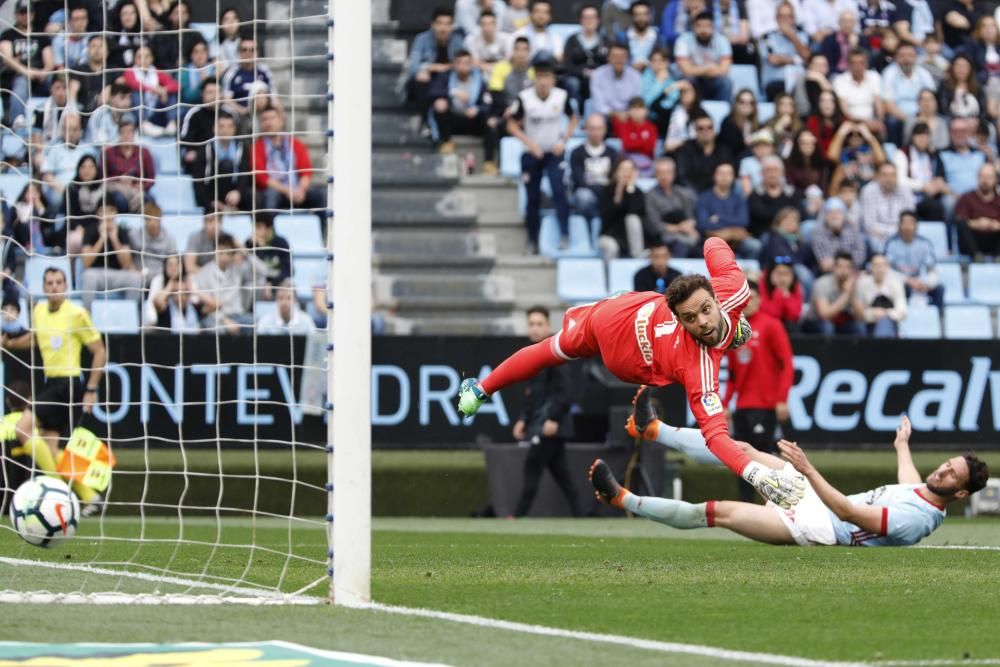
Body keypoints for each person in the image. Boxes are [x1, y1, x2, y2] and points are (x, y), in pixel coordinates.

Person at [456, 237, 808, 507]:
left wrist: (484, 387)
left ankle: (477, 391)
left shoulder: (730, 289)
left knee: (552, 349)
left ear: (717, 300)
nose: (701, 321)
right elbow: (716, 439)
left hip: (625, 309)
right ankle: (481, 389)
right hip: (620, 349)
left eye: (705, 311)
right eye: (691, 318)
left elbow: (712, 243)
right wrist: (757, 475)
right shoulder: (701, 358)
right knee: (553, 350)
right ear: (683, 320)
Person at [596, 413, 989, 547]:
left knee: (716, 512)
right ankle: (652, 428)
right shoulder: (923, 495)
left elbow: (847, 511)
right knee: (744, 450)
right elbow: (910, 483)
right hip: (814, 502)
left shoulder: (916, 520)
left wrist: (808, 468)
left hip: (819, 527)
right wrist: (903, 445)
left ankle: (622, 498)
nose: (941, 469)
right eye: (946, 463)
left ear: (960, 492)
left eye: (951, 472)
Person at [1, 267, 106, 509]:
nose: (54, 287)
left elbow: (100, 351)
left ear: (66, 286)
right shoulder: (38, 310)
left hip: (68, 383)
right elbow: (36, 339)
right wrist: (9, 344)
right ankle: (89, 496)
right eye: (49, 283)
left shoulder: (77, 314)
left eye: (59, 282)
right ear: (44, 287)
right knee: (50, 449)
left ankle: (61, 494)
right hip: (51, 382)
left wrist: (91, 389)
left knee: (22, 429)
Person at [716, 281, 793, 500]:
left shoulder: (771, 325)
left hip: (766, 406)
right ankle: (747, 507)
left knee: (765, 457)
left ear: (760, 299)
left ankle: (779, 506)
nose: (748, 303)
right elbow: (732, 374)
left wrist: (782, 399)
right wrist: (725, 403)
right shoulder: (734, 330)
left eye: (753, 298)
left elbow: (787, 364)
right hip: (743, 407)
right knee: (742, 460)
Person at [510, 306, 582, 518]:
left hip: (550, 425)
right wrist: (524, 418)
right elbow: (533, 394)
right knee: (563, 476)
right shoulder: (533, 353)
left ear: (548, 326)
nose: (535, 329)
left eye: (539, 324)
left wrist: (553, 418)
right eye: (531, 324)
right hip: (542, 423)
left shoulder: (555, 351)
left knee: (532, 465)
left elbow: (566, 391)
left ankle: (517, 515)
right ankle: (581, 515)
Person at [506, 62, 577, 252]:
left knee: (559, 191)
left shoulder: (561, 96)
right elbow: (511, 124)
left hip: (554, 152)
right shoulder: (524, 98)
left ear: (553, 79)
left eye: (547, 77)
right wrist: (530, 144)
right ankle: (532, 240)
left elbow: (573, 118)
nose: (544, 81)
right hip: (532, 152)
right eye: (540, 77)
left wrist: (564, 140)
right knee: (532, 197)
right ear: (535, 78)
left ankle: (565, 234)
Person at [429, 50, 499, 174]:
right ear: (454, 65)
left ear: (472, 64)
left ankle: (489, 162)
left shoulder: (481, 81)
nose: (463, 66)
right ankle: (445, 142)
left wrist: (477, 109)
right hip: (452, 120)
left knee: (491, 121)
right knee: (440, 104)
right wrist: (453, 92)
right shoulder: (445, 77)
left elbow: (488, 104)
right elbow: (432, 93)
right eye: (459, 63)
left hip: (473, 121)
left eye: (467, 63)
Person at [251, 106, 325, 215]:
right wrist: (287, 191)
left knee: (320, 195)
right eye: (264, 119)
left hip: (297, 189)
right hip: (276, 191)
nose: (268, 123)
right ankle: (270, 230)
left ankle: (325, 229)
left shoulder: (296, 144)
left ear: (281, 121)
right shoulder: (257, 147)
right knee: (271, 195)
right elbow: (261, 177)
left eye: (272, 118)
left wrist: (301, 190)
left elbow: (306, 171)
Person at [0, 0, 55, 127]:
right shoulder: (9, 34)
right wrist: (26, 71)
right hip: (17, 76)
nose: (25, 16)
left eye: (28, 12)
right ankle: (17, 120)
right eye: (22, 12)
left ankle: (58, 117)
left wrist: (44, 72)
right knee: (21, 82)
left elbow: (49, 60)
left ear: (33, 14)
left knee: (57, 81)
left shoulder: (40, 35)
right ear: (16, 15)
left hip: (40, 77)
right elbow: (7, 58)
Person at [79, 203, 144, 309]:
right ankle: (88, 318)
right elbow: (86, 262)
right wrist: (101, 239)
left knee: (136, 278)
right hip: (96, 273)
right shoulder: (90, 230)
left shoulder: (122, 231)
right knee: (88, 276)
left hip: (118, 274)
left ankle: (129, 316)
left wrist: (114, 239)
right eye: (104, 211)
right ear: (98, 214)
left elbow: (127, 264)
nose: (108, 215)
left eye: (111, 211)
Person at [192, 232, 258, 333]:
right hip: (215, 317)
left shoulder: (238, 269)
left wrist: (244, 250)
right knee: (218, 330)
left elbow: (262, 271)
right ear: (214, 252)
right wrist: (224, 320)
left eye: (228, 253)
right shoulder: (204, 273)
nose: (224, 257)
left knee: (255, 323)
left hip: (238, 315)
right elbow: (206, 308)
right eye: (221, 252)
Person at [192, 111, 253, 213]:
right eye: (221, 126)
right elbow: (198, 181)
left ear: (234, 129)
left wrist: (238, 192)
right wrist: (210, 201)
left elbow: (245, 175)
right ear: (214, 128)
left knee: (252, 194)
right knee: (226, 165)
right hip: (212, 195)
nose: (225, 130)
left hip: (235, 195)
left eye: (230, 126)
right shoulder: (205, 150)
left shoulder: (242, 148)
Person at [405, 9, 463, 114]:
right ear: (433, 25)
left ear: (452, 27)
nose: (443, 28)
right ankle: (424, 119)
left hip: (448, 82)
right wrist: (430, 68)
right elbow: (413, 66)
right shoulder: (421, 39)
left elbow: (463, 64)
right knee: (421, 78)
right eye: (439, 23)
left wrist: (439, 68)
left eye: (447, 24)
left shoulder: (457, 40)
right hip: (428, 82)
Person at [696, 163, 759, 259]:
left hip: (736, 239)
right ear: (714, 176)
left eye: (728, 174)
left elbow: (743, 221)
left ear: (734, 177)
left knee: (755, 246)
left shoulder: (739, 198)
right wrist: (726, 231)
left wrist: (719, 218)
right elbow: (703, 223)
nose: (724, 177)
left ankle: (747, 273)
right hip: (712, 238)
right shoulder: (704, 198)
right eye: (721, 173)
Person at [883, 210, 943, 309]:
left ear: (916, 225)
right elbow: (886, 269)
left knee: (939, 289)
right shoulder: (891, 243)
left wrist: (927, 284)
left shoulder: (924, 243)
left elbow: (931, 269)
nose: (907, 227)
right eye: (904, 223)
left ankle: (937, 318)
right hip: (900, 281)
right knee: (899, 287)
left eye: (911, 223)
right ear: (899, 225)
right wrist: (907, 280)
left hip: (921, 281)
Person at [880, 43, 936, 145]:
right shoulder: (889, 73)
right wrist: (909, 120)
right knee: (892, 122)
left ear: (916, 57)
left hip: (922, 115)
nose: (907, 60)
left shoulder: (923, 74)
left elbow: (932, 99)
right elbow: (888, 104)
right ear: (896, 57)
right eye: (902, 56)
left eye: (910, 55)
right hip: (899, 117)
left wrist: (922, 118)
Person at [644, 156, 699, 257]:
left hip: (685, 232)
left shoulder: (682, 193)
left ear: (673, 174)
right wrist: (678, 228)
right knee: (679, 245)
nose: (664, 176)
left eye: (668, 172)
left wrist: (690, 225)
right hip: (663, 236)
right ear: (655, 174)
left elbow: (691, 216)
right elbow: (654, 225)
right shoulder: (650, 196)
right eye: (660, 172)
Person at [102, 113, 155, 214]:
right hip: (117, 190)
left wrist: (141, 186)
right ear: (119, 134)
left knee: (149, 200)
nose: (127, 136)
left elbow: (151, 178)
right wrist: (119, 179)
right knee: (119, 199)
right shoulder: (108, 153)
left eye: (130, 132)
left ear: (134, 134)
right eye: (123, 132)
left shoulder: (144, 153)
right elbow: (102, 177)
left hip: (138, 191)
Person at [673, 12, 733, 101]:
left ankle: (722, 110)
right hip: (693, 80)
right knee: (686, 80)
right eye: (699, 26)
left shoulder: (722, 41)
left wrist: (695, 69)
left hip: (713, 80)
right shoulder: (683, 40)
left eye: (707, 26)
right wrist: (709, 68)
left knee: (726, 82)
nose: (703, 30)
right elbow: (686, 70)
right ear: (693, 27)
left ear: (713, 28)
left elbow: (724, 70)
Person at [568, 114, 618, 221]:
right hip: (587, 192)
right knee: (583, 197)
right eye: (592, 128)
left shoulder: (612, 152)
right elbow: (578, 180)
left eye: (599, 128)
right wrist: (599, 191)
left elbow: (615, 177)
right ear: (586, 129)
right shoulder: (577, 152)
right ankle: (588, 227)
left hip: (607, 192)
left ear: (605, 130)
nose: (596, 133)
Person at [123, 44, 180, 137]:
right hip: (137, 110)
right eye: (139, 56)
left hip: (155, 109)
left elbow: (176, 85)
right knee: (136, 92)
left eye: (147, 56)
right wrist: (154, 89)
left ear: (152, 58)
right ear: (135, 59)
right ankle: (143, 124)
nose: (143, 59)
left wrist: (164, 90)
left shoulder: (155, 71)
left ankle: (171, 123)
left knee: (171, 93)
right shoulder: (130, 71)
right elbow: (133, 83)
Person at [804, 250, 865, 334]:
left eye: (848, 267)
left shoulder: (855, 285)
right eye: (840, 266)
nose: (844, 271)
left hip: (842, 321)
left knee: (859, 326)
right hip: (815, 322)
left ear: (852, 270)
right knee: (827, 326)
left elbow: (861, 317)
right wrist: (846, 294)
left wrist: (852, 295)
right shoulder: (822, 283)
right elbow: (824, 315)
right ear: (834, 268)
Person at [859, 162, 916, 252]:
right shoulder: (869, 191)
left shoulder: (905, 190)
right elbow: (869, 225)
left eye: (892, 175)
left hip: (902, 234)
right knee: (875, 242)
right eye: (884, 175)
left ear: (897, 177)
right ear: (878, 176)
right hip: (877, 236)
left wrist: (899, 231)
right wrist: (893, 232)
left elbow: (910, 219)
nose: (889, 179)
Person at [672, 113, 735, 194]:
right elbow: (682, 177)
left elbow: (729, 175)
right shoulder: (685, 150)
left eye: (709, 127)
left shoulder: (724, 150)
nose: (705, 131)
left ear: (714, 130)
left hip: (718, 192)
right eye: (701, 128)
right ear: (695, 131)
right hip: (693, 192)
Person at [759, 2, 810, 100]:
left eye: (788, 16)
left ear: (794, 18)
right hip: (776, 81)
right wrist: (796, 60)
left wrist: (793, 37)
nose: (785, 20)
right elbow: (773, 59)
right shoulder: (767, 37)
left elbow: (807, 56)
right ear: (776, 18)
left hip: (798, 81)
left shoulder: (802, 36)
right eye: (782, 16)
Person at [598, 158, 648, 259]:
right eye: (623, 169)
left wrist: (630, 189)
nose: (626, 173)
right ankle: (609, 274)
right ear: (616, 171)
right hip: (609, 235)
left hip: (630, 238)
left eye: (629, 169)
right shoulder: (606, 190)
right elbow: (608, 215)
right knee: (612, 247)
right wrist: (619, 192)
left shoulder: (637, 192)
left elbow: (635, 211)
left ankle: (637, 256)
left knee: (632, 218)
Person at [562, 4, 607, 106]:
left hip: (600, 78)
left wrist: (597, 73)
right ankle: (575, 114)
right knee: (572, 83)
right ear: (581, 20)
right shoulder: (572, 40)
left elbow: (608, 64)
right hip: (577, 78)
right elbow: (567, 65)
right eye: (586, 17)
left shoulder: (605, 41)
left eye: (592, 17)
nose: (589, 21)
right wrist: (584, 72)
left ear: (598, 20)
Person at [748, 156, 803, 239]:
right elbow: (760, 215)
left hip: (793, 230)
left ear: (782, 173)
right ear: (761, 173)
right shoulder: (756, 194)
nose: (772, 174)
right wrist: (786, 215)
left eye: (775, 170)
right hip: (766, 233)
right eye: (768, 170)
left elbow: (801, 212)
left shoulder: (791, 192)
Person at [832, 49, 884, 137]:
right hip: (850, 122)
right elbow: (844, 110)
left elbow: (878, 104)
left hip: (872, 121)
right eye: (854, 63)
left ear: (866, 64)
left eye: (861, 63)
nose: (858, 66)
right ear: (848, 64)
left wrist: (879, 121)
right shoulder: (839, 80)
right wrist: (864, 122)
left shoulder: (874, 77)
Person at [221, 37, 274, 120]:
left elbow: (274, 97)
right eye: (244, 50)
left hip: (262, 114)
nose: (248, 53)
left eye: (252, 50)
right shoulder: (231, 73)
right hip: (239, 116)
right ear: (239, 53)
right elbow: (226, 99)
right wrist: (242, 110)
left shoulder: (264, 71)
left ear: (257, 52)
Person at [954, 163, 1000, 259]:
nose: (985, 181)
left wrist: (993, 225)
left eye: (989, 177)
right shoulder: (966, 197)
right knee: (961, 224)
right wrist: (976, 223)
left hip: (994, 240)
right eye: (982, 176)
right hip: (973, 241)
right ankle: (976, 256)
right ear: (977, 177)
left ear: (996, 179)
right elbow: (960, 220)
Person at [810, 197, 868, 272]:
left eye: (838, 212)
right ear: (825, 217)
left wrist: (843, 265)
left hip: (853, 272)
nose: (834, 216)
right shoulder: (818, 233)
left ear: (844, 215)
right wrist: (845, 264)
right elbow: (825, 264)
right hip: (829, 275)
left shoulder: (853, 230)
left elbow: (860, 256)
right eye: (831, 213)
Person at [856, 253, 907, 337]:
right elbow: (859, 312)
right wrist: (874, 313)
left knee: (884, 323)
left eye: (883, 265)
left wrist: (885, 313)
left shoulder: (896, 284)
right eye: (876, 265)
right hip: (868, 323)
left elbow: (902, 312)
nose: (879, 268)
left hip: (889, 323)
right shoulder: (862, 284)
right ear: (871, 267)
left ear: (887, 267)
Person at [590, 43, 642, 120]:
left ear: (627, 58)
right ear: (608, 58)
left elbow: (636, 102)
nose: (618, 60)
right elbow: (599, 105)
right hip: (605, 117)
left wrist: (627, 114)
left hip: (628, 117)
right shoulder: (597, 75)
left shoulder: (635, 76)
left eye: (622, 56)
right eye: (615, 56)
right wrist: (615, 114)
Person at [246, 216, 291, 297]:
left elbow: (288, 270)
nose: (255, 231)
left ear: (269, 228)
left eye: (259, 227)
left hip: (278, 281)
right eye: (255, 227)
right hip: (260, 282)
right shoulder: (251, 243)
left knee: (288, 287)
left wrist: (272, 284)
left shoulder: (281, 242)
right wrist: (253, 246)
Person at [611, 97, 657, 175]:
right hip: (628, 162)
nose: (637, 111)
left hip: (647, 163)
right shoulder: (624, 125)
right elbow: (627, 145)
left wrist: (635, 143)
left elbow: (650, 148)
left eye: (640, 108)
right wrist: (643, 142)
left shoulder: (651, 127)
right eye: (634, 108)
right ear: (629, 111)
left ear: (646, 111)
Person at [758, 258, 804, 329]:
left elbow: (794, 315)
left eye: (786, 274)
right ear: (770, 274)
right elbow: (770, 314)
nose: (783, 278)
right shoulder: (762, 285)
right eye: (779, 273)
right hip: (765, 324)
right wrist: (779, 294)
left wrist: (786, 296)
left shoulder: (795, 286)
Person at [463, 10, 511, 76]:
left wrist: (494, 69)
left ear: (495, 25)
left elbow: (509, 60)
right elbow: (474, 62)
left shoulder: (506, 39)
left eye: (490, 24)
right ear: (479, 26)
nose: (487, 28)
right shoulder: (471, 40)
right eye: (483, 24)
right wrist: (492, 68)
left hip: (502, 72)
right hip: (480, 72)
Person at [819, 11, 867, 76]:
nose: (848, 25)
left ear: (855, 23)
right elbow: (827, 63)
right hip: (837, 73)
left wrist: (854, 47)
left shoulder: (862, 39)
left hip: (858, 73)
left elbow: (867, 61)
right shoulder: (829, 40)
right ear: (839, 23)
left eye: (850, 21)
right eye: (844, 21)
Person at [618, 0, 661, 71]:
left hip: (652, 76)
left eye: (644, 14)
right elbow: (617, 60)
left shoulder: (659, 38)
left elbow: (663, 61)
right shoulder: (622, 37)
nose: (641, 18)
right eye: (637, 15)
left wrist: (647, 65)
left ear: (650, 16)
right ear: (632, 16)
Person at [718, 89, 760, 159]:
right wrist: (751, 140)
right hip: (731, 159)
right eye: (742, 102)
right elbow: (732, 147)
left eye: (751, 102)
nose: (747, 105)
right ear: (736, 104)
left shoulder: (755, 123)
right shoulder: (728, 122)